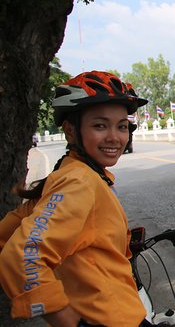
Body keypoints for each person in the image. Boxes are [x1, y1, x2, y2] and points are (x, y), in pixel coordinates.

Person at [0, 71, 153, 326]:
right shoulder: (79, 182)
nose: (115, 137)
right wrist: (63, 316)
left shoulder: (74, 173)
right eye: (100, 125)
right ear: (71, 130)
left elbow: (6, 233)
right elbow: (22, 255)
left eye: (122, 126)